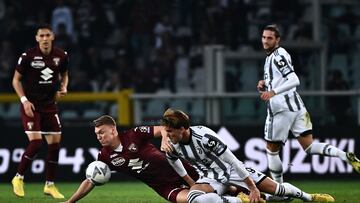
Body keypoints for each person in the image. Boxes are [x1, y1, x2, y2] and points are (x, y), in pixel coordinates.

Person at [160, 108, 335, 203]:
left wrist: (252, 188)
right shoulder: (171, 144)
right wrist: (192, 183)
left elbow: (233, 161)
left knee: (277, 190)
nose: (167, 135)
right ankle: (239, 200)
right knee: (193, 198)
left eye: (170, 131)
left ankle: (308, 197)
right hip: (209, 178)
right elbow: (173, 161)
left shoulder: (205, 138)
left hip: (232, 170)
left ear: (182, 129)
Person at [257, 24, 360, 184]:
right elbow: (281, 78)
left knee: (271, 150)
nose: (265, 41)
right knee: (309, 147)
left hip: (282, 108)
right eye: (264, 37)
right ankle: (344, 155)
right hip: (297, 106)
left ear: (277, 40)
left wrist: (273, 92)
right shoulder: (274, 57)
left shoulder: (277, 56)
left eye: (270, 38)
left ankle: (280, 191)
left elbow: (294, 79)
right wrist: (266, 83)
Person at [63, 115, 201, 203]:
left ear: (113, 130)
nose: (99, 137)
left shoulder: (134, 134)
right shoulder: (104, 156)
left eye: (101, 132)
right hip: (165, 187)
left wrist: (165, 140)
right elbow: (90, 181)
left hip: (180, 169)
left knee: (215, 190)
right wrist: (70, 202)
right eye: (96, 134)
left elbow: (164, 128)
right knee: (195, 200)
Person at [11, 24, 69, 199]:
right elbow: (15, 80)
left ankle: (49, 185)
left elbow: (64, 73)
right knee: (36, 143)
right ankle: (18, 178)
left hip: (50, 105)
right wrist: (24, 100)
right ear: (37, 38)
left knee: (55, 145)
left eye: (47, 35)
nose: (44, 38)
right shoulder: (27, 56)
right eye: (41, 36)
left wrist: (64, 86)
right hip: (32, 106)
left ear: (52, 37)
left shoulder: (61, 55)